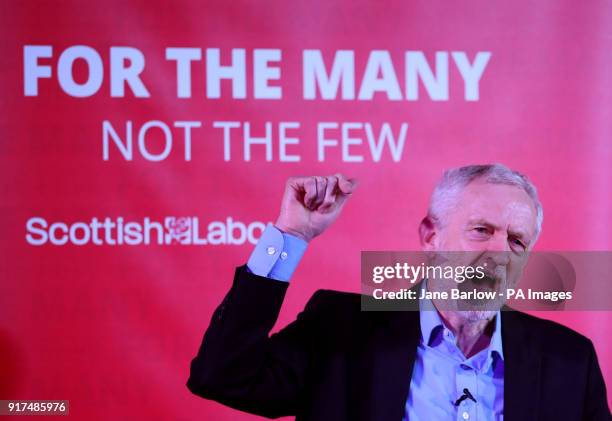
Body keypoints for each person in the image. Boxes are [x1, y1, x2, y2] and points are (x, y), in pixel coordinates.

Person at [187, 164, 610, 420]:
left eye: (517, 241)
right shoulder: (341, 331)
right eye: (481, 230)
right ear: (431, 236)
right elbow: (222, 376)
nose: (499, 252)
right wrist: (291, 235)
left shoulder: (570, 361)